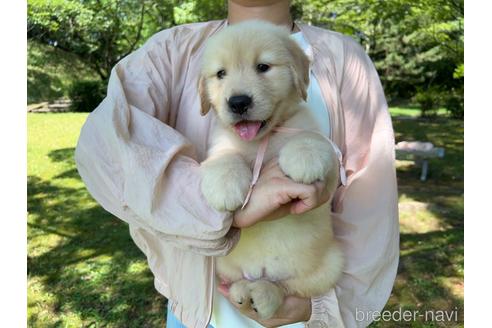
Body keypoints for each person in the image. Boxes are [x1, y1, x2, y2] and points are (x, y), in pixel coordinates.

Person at [74, 0, 399, 327]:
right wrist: (218, 210)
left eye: (263, 67)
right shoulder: (171, 51)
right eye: (220, 74)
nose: (239, 94)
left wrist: (325, 308)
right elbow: (105, 145)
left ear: (301, 74)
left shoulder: (344, 58)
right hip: (199, 314)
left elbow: (371, 205)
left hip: (307, 308)